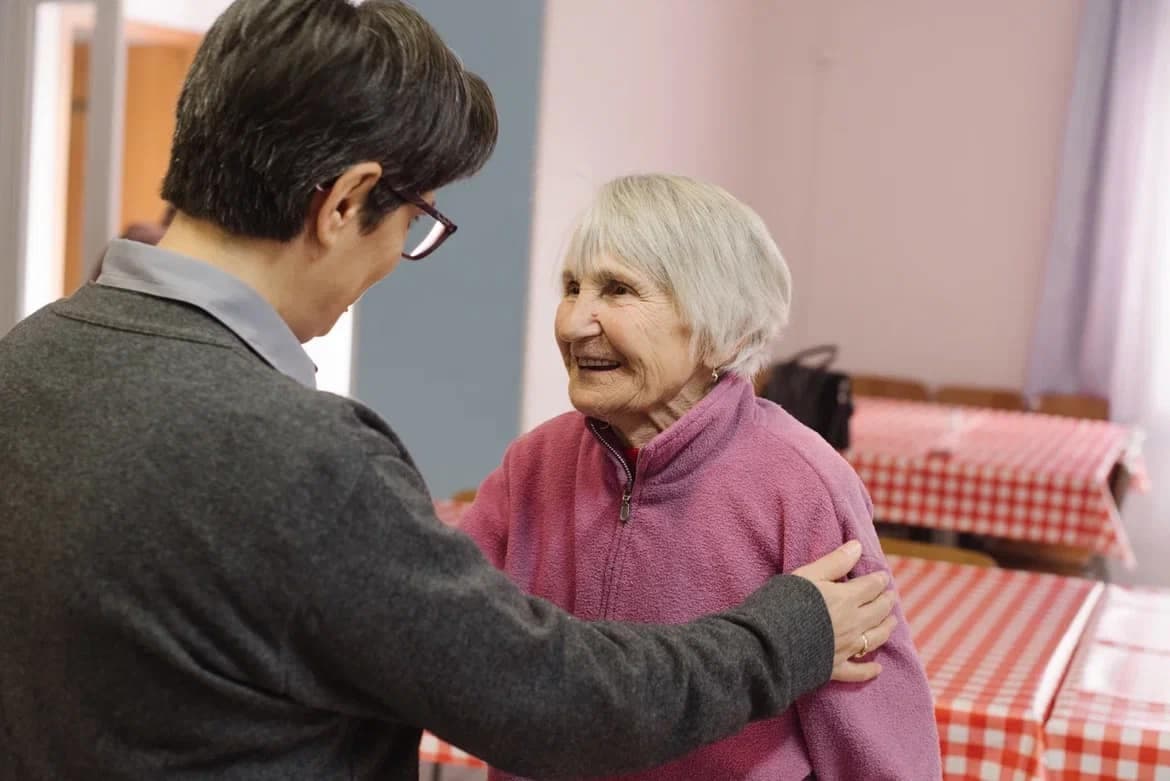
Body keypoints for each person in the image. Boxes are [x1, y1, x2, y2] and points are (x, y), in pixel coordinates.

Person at [0, 3, 897, 780]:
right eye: (414, 221)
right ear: (346, 202)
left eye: (620, 290)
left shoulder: (27, 362)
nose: (579, 317)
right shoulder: (306, 458)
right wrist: (781, 635)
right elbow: (546, 696)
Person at [461, 174, 942, 780]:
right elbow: (447, 639)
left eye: (618, 290)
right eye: (572, 287)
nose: (573, 323)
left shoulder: (802, 485)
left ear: (725, 332)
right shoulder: (532, 466)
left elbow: (878, 743)